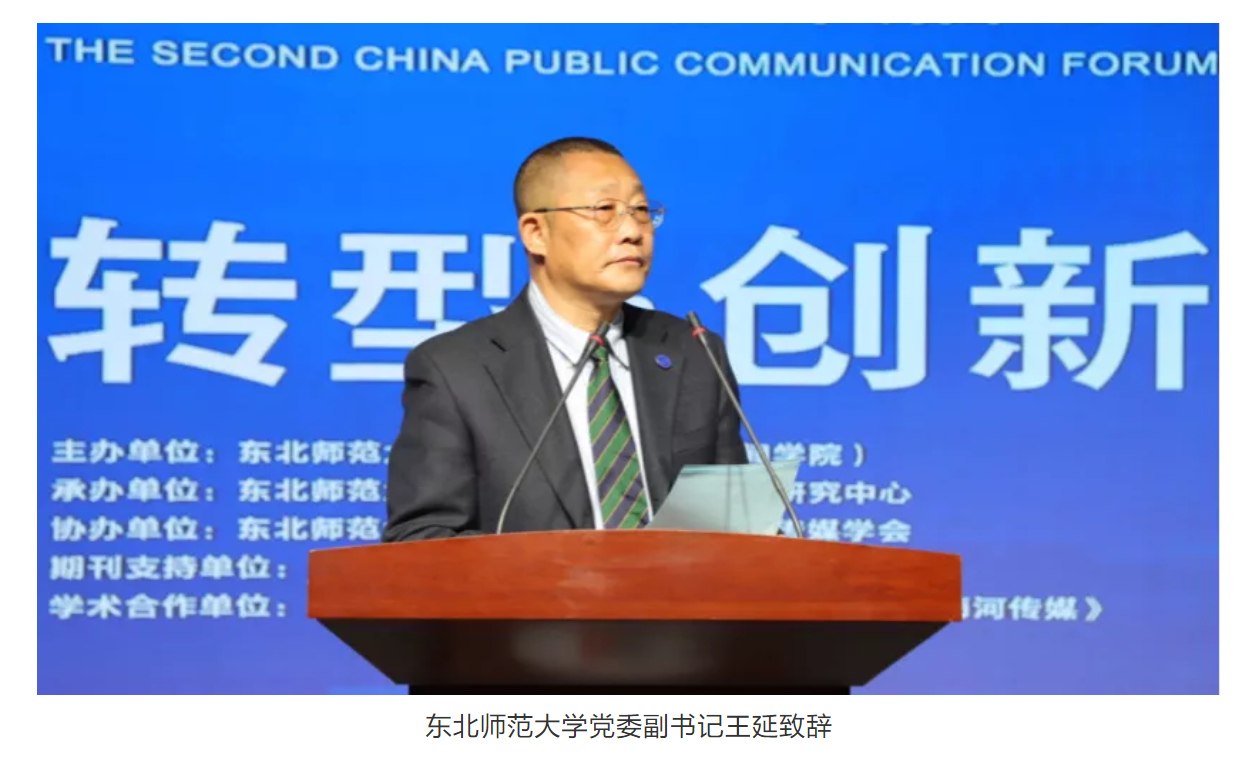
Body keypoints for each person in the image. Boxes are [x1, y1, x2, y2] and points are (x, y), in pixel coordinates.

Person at [382, 137, 747, 541]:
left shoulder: (692, 352)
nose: (632, 231)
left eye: (641, 211)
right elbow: (421, 536)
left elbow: (735, 526)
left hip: (678, 585)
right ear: (536, 233)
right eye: (604, 210)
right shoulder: (457, 369)